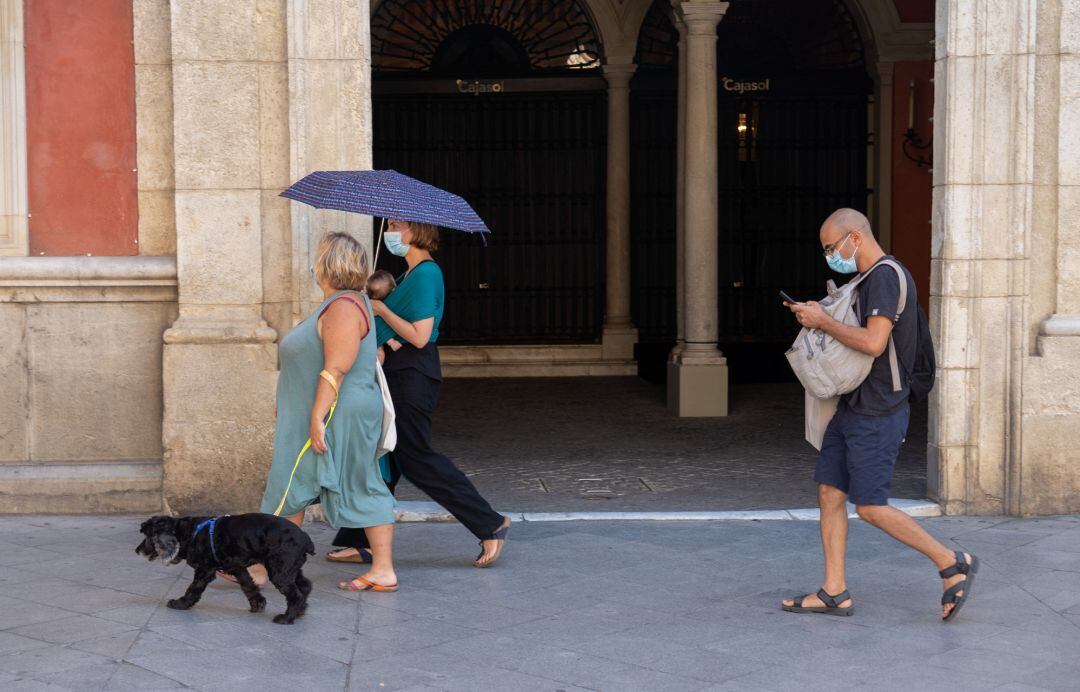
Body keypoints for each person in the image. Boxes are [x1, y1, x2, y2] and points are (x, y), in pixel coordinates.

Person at [781, 208, 977, 621]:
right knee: (830, 492)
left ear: (855, 237)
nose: (830, 256)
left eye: (831, 248)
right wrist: (821, 315)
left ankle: (951, 561)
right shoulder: (867, 279)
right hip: (854, 405)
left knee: (870, 506)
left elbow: (873, 342)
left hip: (879, 410)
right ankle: (834, 592)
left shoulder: (886, 277)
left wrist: (822, 321)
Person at [327, 219, 511, 570]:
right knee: (385, 456)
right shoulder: (408, 275)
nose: (389, 232)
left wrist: (380, 309)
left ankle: (490, 523)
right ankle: (358, 539)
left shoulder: (426, 274)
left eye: (395, 225)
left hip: (414, 375)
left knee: (415, 456)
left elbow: (420, 335)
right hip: (400, 372)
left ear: (415, 230)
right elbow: (397, 335)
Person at [257, 232, 399, 593]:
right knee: (320, 482)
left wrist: (316, 417)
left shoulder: (343, 308)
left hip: (334, 413)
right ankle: (265, 564)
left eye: (319, 256)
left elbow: (336, 367)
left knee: (293, 483)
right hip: (330, 411)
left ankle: (263, 565)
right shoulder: (342, 304)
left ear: (327, 265)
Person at [366, 269, 402, 364]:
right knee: (379, 353)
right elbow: (379, 326)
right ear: (394, 289)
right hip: (374, 340)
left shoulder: (368, 302)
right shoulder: (380, 309)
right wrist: (392, 342)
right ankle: (376, 376)